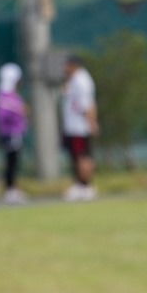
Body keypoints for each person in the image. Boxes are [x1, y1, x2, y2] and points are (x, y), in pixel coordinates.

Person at [59, 55, 98, 201]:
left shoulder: (82, 81)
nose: (64, 69)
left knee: (81, 156)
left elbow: (87, 104)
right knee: (77, 156)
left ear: (73, 65)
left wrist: (91, 122)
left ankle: (85, 185)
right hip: (73, 126)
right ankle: (81, 185)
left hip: (79, 127)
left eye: (67, 65)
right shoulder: (74, 80)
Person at [0, 63, 30, 204]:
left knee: (13, 161)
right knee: (11, 161)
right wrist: (19, 111)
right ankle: (10, 189)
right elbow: (2, 116)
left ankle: (11, 187)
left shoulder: (8, 95)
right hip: (10, 133)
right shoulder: (4, 96)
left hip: (15, 132)